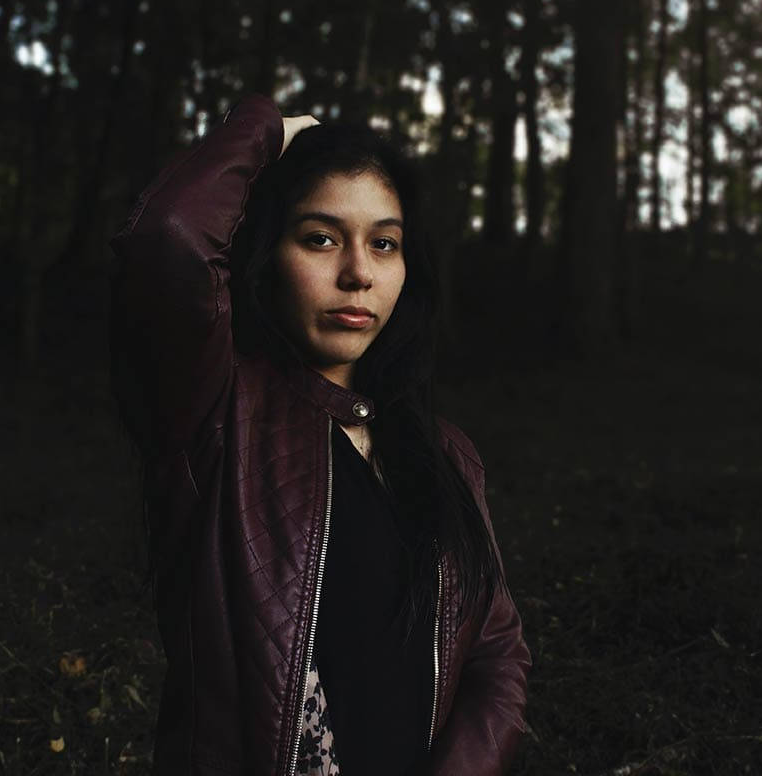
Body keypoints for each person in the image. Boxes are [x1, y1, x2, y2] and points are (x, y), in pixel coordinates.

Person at [108, 92, 531, 776]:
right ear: (267, 255)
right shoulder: (216, 411)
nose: (358, 273)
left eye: (383, 244)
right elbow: (170, 239)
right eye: (321, 239)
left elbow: (497, 656)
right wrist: (265, 130)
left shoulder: (447, 453)